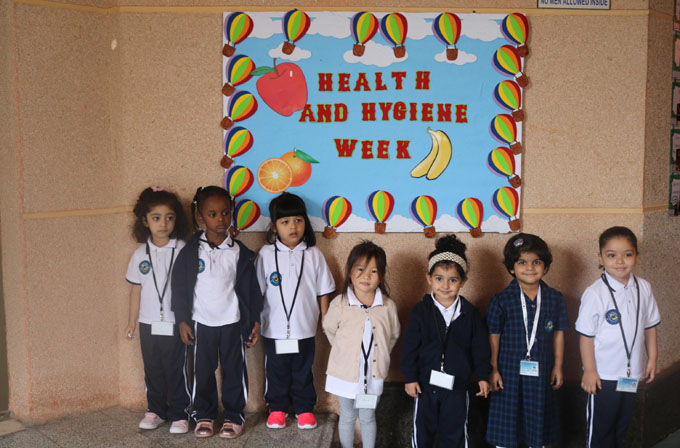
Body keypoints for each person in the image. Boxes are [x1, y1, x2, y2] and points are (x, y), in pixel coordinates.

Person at [171, 186, 263, 439]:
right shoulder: (191, 252)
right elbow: (179, 288)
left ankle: (234, 416)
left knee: (234, 371)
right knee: (203, 372)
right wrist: (182, 320)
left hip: (233, 322)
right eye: (212, 214)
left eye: (225, 213)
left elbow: (252, 291)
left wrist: (255, 321)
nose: (220, 219)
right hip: (202, 323)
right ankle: (204, 414)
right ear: (200, 216)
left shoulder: (240, 253)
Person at [401, 234, 491, 448]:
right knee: (423, 432)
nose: (445, 285)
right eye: (439, 278)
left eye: (453, 280)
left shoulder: (470, 313)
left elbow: (480, 349)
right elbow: (409, 348)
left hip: (457, 386)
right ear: (429, 278)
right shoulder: (420, 312)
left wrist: (483, 376)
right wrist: (410, 378)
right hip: (425, 385)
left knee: (455, 432)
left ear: (463, 281)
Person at [256, 192, 335, 430]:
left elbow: (324, 290)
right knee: (276, 371)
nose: (293, 227)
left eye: (298, 220)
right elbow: (257, 292)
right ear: (274, 226)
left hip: (304, 328)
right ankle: (277, 408)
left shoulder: (313, 254)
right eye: (285, 222)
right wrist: (256, 322)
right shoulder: (265, 254)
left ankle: (304, 409)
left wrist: (325, 318)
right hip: (274, 329)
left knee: (303, 371)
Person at [575, 226, 660, 448]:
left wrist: (652, 359)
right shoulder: (595, 293)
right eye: (612, 255)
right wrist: (589, 370)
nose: (620, 261)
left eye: (627, 254)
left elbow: (650, 327)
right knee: (601, 430)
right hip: (603, 375)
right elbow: (586, 337)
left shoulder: (644, 287)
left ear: (637, 256)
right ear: (601, 257)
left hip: (630, 375)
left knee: (621, 427)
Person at [485, 233, 569, 448]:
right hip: (508, 372)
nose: (530, 267)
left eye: (536, 262)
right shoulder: (501, 300)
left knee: (539, 415)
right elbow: (493, 336)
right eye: (522, 262)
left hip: (542, 371)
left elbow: (559, 333)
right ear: (512, 268)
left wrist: (558, 366)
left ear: (545, 267)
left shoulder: (554, 298)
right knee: (508, 416)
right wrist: (493, 369)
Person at [125, 186, 191, 434]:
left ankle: (180, 414)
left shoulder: (183, 248)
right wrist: (131, 322)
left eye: (169, 217)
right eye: (156, 218)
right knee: (152, 369)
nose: (163, 224)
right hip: (148, 322)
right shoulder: (139, 254)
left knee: (176, 368)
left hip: (175, 322)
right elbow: (136, 290)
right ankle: (155, 411)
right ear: (145, 221)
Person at [323, 241, 400, 448]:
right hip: (345, 374)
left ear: (381, 276)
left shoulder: (388, 306)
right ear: (350, 272)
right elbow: (329, 329)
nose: (366, 276)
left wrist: (380, 355)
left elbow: (393, 335)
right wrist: (344, 352)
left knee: (368, 416)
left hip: (372, 375)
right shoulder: (340, 304)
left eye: (373, 271)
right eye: (360, 269)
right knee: (347, 415)